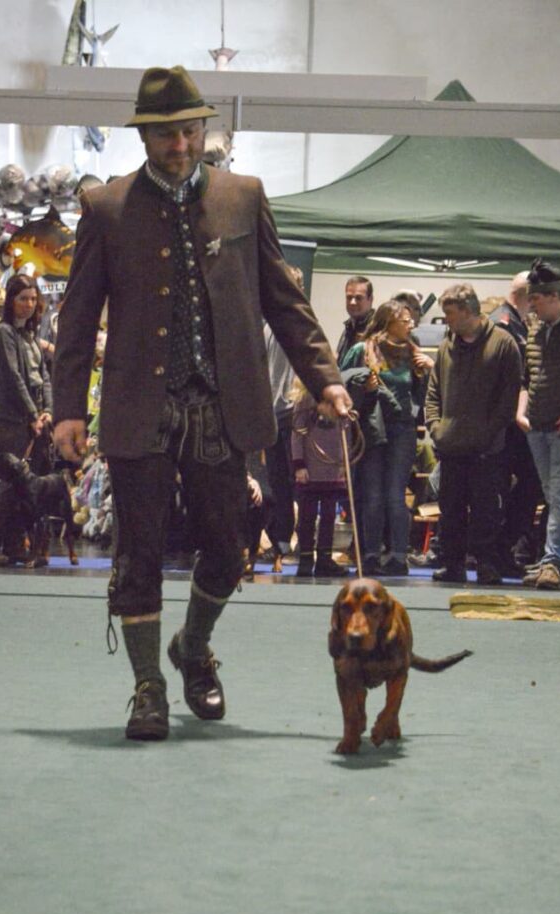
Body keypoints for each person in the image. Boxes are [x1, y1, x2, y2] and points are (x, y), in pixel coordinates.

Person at [52, 65, 350, 742]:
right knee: (139, 554)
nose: (179, 145)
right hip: (138, 404)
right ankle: (148, 689)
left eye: (188, 131)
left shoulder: (243, 196)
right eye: (164, 135)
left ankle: (191, 646)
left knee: (227, 549)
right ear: (144, 136)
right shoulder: (105, 206)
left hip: (223, 406)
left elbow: (283, 298)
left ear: (203, 129)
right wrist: (68, 406)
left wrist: (326, 376)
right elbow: (77, 317)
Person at [425, 284, 521, 585]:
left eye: (451, 314)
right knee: (450, 510)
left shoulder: (503, 344)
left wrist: (489, 434)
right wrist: (436, 429)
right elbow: (432, 393)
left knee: (487, 511)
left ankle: (486, 564)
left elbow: (509, 397)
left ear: (468, 311)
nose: (447, 320)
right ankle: (452, 564)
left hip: (488, 450)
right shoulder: (445, 346)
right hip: (450, 446)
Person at [341, 300, 434, 575]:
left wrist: (427, 371)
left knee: (395, 495)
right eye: (405, 320)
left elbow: (421, 397)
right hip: (371, 427)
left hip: (402, 429)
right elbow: (342, 379)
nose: (411, 325)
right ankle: (370, 555)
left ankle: (398, 556)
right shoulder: (362, 349)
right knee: (372, 494)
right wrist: (365, 387)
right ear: (389, 321)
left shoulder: (411, 352)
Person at [0, 274, 53, 566]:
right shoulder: (2, 334)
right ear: (11, 301)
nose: (29, 304)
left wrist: (48, 409)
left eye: (33, 299)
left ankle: (13, 544)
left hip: (32, 417)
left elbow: (44, 376)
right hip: (9, 418)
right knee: (12, 483)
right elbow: (13, 378)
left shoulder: (30, 336)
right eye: (23, 298)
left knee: (25, 486)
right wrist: (33, 415)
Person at [518, 260, 560, 590]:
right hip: (539, 426)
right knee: (555, 496)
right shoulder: (536, 330)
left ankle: (554, 563)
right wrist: (522, 412)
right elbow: (527, 379)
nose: (531, 305)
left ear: (554, 296)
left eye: (537, 299)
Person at [489, 272, 543, 574]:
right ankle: (500, 550)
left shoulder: (516, 322)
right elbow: (511, 379)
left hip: (514, 423)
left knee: (526, 487)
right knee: (519, 487)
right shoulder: (504, 325)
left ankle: (504, 550)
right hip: (508, 425)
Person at [262, 264, 304, 569]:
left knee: (298, 481)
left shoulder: (301, 323)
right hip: (273, 414)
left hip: (295, 414)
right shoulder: (267, 324)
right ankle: (280, 541)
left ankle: (298, 542)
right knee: (278, 483)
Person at [291, 380, 350, 578]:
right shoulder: (305, 400)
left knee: (328, 516)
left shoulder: (339, 399)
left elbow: (346, 431)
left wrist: (343, 462)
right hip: (310, 467)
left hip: (332, 467)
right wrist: (299, 464)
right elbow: (297, 433)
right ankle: (306, 558)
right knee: (307, 516)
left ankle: (324, 558)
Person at [336, 276, 374, 367]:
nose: (352, 302)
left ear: (371, 299)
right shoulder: (349, 327)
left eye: (358, 298)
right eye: (349, 297)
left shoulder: (376, 328)